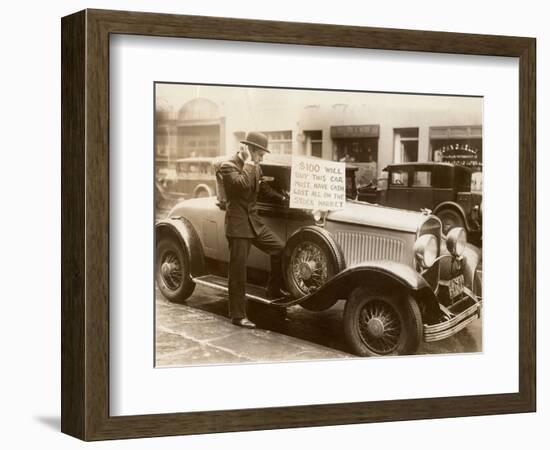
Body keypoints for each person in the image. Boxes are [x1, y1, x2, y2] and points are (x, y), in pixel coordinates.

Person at [219, 131, 288, 329]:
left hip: (254, 223)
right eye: (260, 154)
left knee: (280, 249)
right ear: (250, 150)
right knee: (238, 272)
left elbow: (262, 188)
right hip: (238, 226)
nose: (262, 158)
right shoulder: (228, 167)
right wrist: (249, 162)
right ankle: (238, 315)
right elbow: (241, 186)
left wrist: (283, 198)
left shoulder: (255, 167)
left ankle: (273, 290)